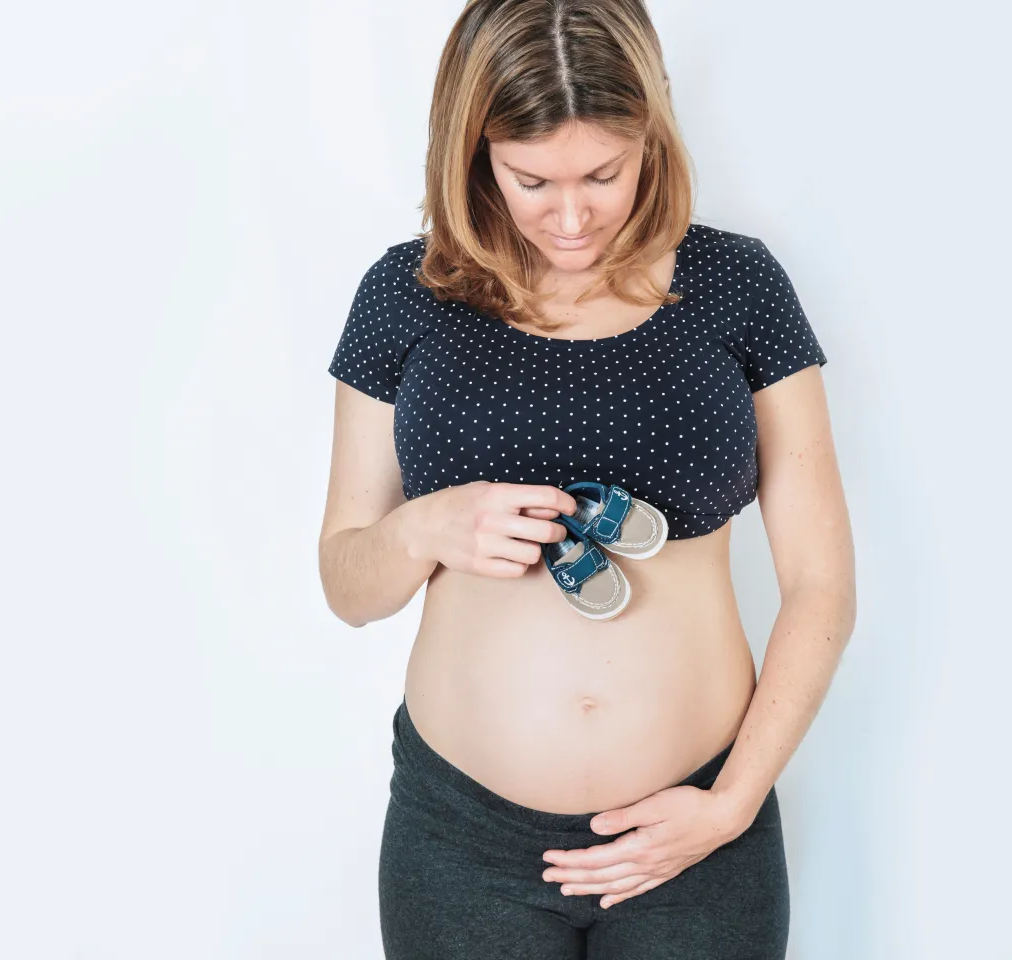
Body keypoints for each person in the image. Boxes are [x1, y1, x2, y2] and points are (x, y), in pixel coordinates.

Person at [318, 1, 856, 957]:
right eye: (532, 180)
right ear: (473, 151)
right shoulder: (405, 294)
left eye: (605, 173)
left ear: (651, 134)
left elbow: (822, 582)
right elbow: (346, 583)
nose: (572, 217)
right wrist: (421, 532)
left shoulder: (738, 284)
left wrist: (729, 805)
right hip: (462, 844)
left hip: (696, 835)